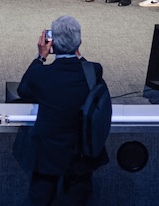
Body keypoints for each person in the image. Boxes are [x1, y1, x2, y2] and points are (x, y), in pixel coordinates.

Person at [16, 16, 109, 206]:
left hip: (47, 156)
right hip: (81, 155)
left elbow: (23, 90)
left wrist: (41, 56)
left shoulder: (40, 74)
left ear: (52, 44)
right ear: (79, 43)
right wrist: (78, 53)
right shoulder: (93, 71)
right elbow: (88, 69)